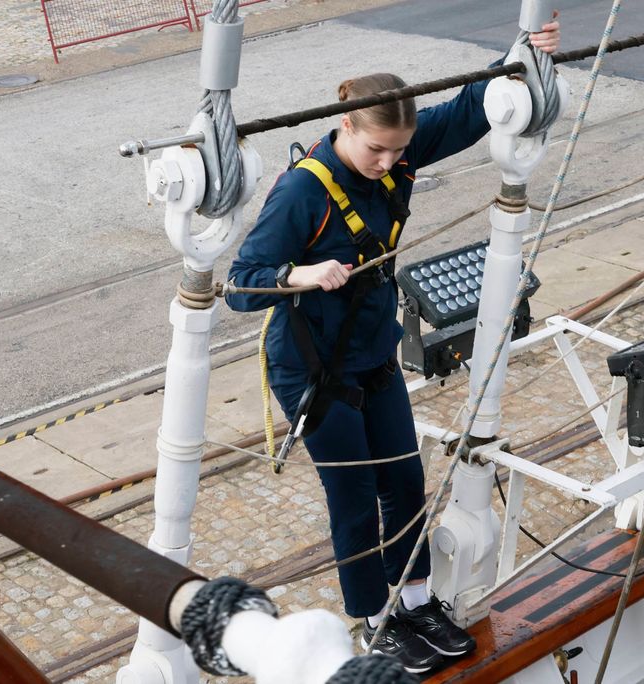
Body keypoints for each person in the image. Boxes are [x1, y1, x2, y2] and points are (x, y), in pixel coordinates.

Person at [225, 16, 561, 674]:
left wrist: (520, 52)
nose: (388, 164)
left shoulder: (399, 149)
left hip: (372, 356)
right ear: (346, 126)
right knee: (354, 500)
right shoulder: (303, 193)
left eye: (396, 153)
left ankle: (414, 602)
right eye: (376, 152)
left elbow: (469, 109)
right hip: (313, 373)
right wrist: (299, 275)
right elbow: (239, 284)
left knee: (405, 483)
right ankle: (375, 620)